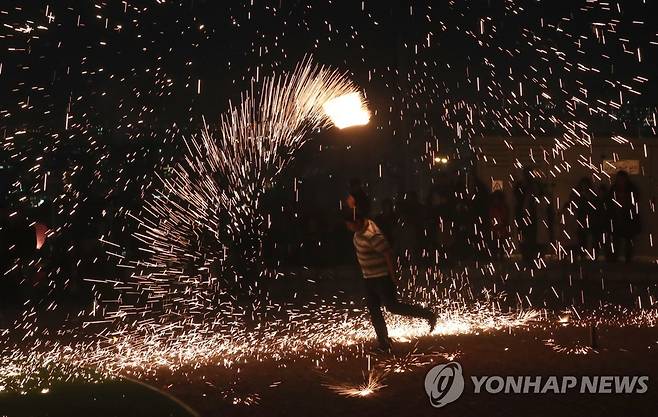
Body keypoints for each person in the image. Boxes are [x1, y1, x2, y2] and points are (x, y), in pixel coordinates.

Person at [343, 206, 436, 353]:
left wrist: (393, 276)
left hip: (382, 278)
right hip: (369, 278)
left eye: (349, 224)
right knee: (374, 311)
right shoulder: (359, 229)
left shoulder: (372, 235)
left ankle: (428, 314)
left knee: (393, 307)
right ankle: (384, 344)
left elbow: (388, 254)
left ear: (357, 222)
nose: (347, 227)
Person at [607, 171, 641, 263]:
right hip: (616, 217)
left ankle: (628, 259)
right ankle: (614, 258)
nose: (621, 181)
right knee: (615, 240)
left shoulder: (631, 189)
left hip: (628, 218)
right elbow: (609, 201)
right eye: (619, 179)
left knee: (628, 240)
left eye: (622, 179)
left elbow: (634, 202)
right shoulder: (614, 188)